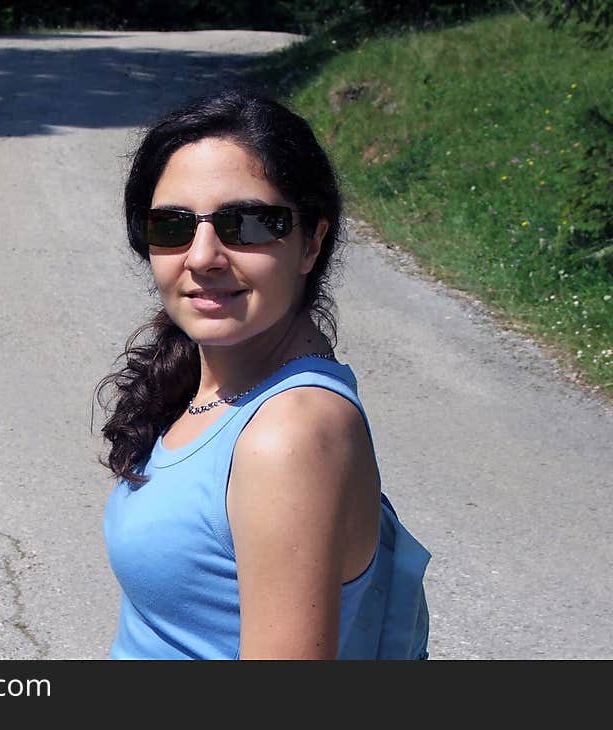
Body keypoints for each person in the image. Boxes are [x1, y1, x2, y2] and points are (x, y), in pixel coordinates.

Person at [95, 88, 429, 660]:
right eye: (172, 225)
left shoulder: (288, 433)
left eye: (247, 223)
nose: (202, 256)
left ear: (311, 243)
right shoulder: (218, 388)